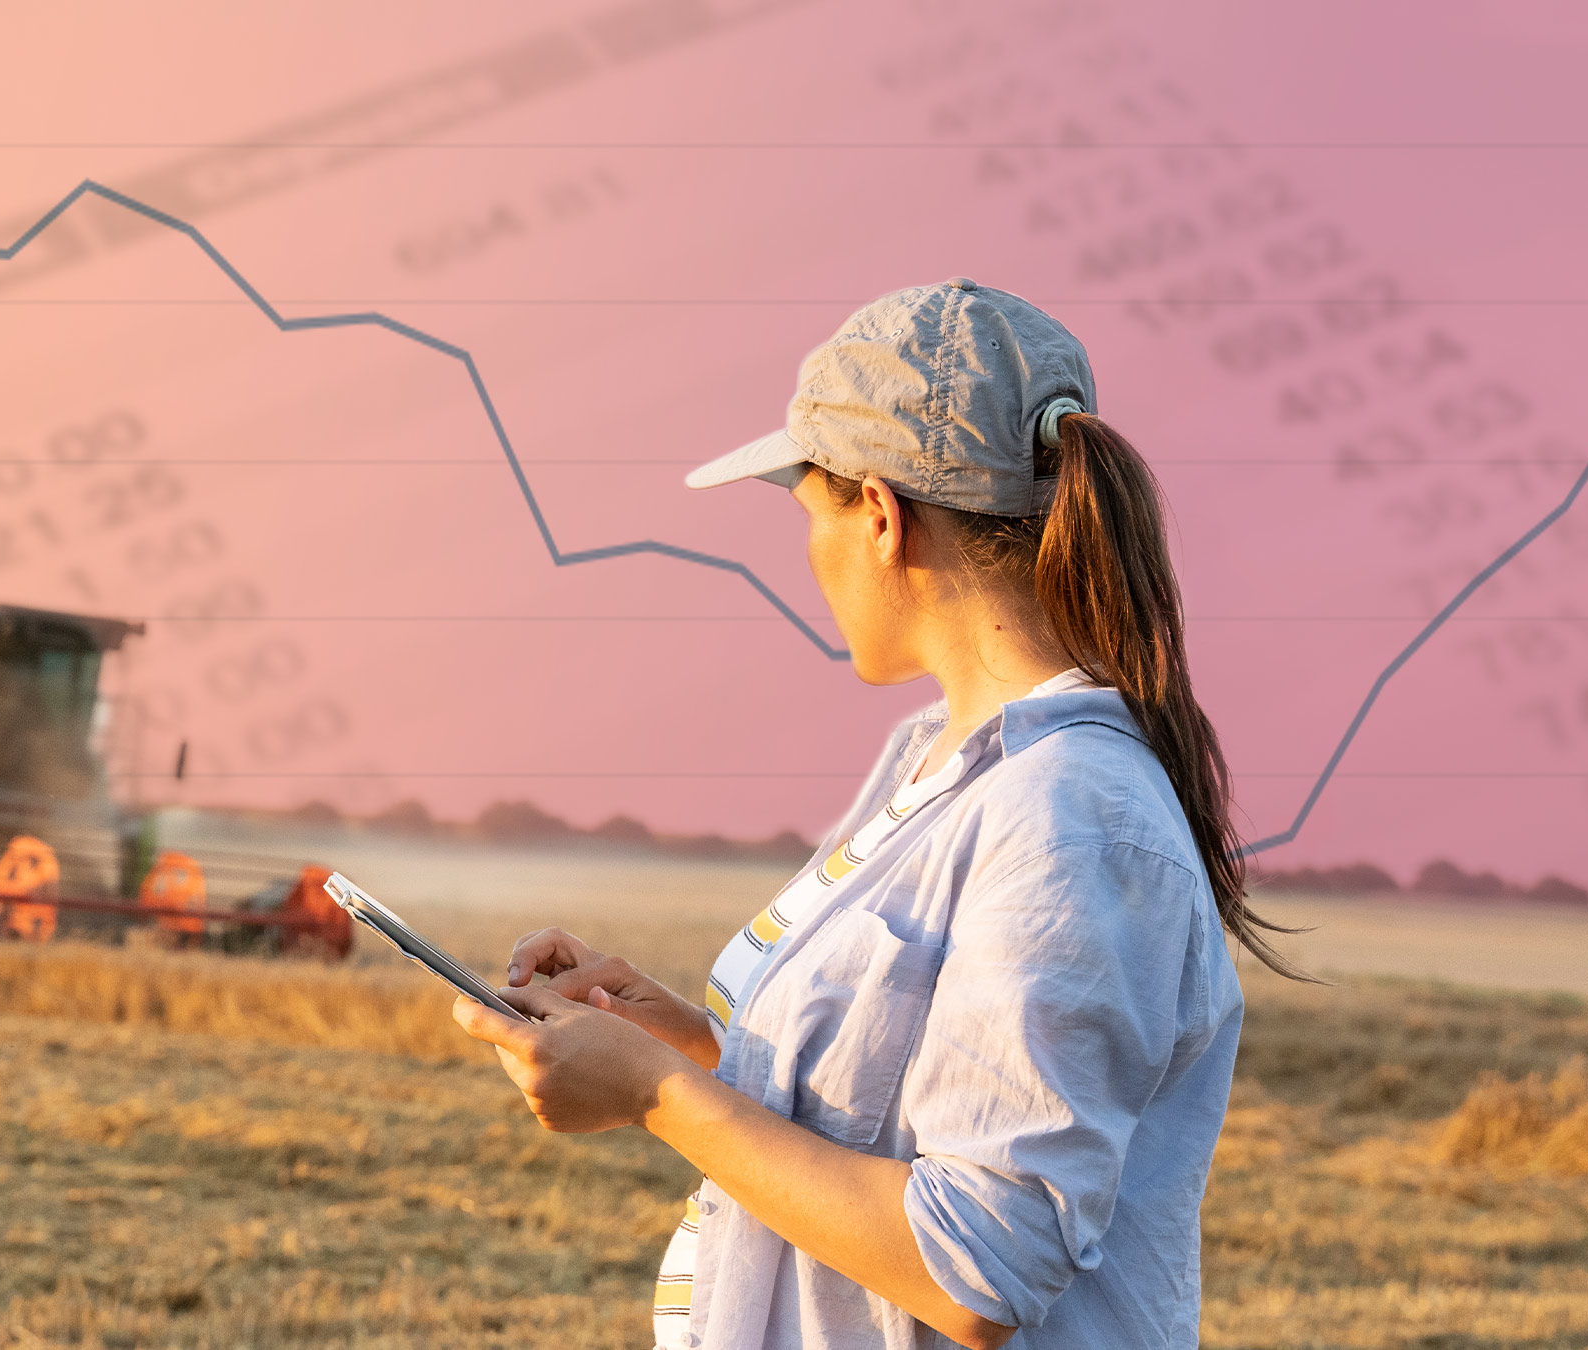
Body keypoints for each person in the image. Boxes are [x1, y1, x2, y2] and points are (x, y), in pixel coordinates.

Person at [451, 278, 1300, 1349]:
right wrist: (693, 1045)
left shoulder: (1071, 819)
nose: (809, 556)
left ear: (883, 519)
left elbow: (979, 1269)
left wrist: (658, 1095)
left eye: (811, 515)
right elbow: (912, 1102)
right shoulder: (943, 762)